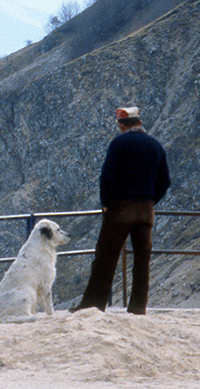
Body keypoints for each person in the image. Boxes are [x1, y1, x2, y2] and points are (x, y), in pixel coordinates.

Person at [72, 106, 171, 315]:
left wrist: (106, 202)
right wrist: (151, 201)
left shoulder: (119, 143)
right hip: (146, 210)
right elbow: (165, 181)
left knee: (106, 258)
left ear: (121, 124)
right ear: (140, 122)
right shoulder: (156, 146)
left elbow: (107, 176)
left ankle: (94, 306)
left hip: (120, 209)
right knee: (142, 260)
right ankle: (137, 308)